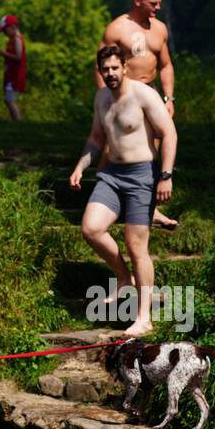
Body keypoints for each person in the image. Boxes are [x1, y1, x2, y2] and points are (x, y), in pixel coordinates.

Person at [69, 45, 176, 338]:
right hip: (112, 175)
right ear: (100, 71)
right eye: (105, 70)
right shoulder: (102, 97)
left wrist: (165, 176)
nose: (111, 74)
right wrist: (81, 166)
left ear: (125, 67)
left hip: (142, 174)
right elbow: (95, 137)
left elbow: (169, 133)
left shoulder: (143, 94)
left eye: (115, 68)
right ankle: (123, 276)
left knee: (136, 246)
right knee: (91, 228)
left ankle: (144, 318)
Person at [95, 0, 179, 230]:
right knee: (113, 147)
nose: (158, 7)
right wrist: (106, 98)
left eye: (160, 2)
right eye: (154, 3)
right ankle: (101, 196)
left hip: (151, 93)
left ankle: (150, 208)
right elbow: (101, 65)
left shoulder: (160, 29)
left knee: (152, 148)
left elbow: (165, 65)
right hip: (124, 94)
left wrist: (169, 97)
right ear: (137, 0)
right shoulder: (117, 28)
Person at [0, 14, 27, 120]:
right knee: (8, 99)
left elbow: (18, 57)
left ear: (13, 27)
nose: (4, 33)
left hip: (16, 75)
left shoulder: (17, 39)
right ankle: (16, 122)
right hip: (11, 74)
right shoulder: (11, 39)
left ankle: (18, 122)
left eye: (5, 30)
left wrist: (1, 52)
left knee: (9, 100)